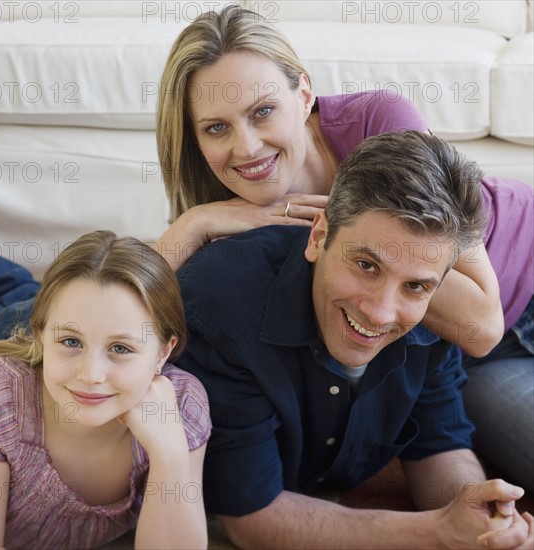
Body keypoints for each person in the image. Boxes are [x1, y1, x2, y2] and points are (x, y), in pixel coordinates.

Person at [155, 5, 533, 491]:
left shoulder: (377, 120)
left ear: (304, 93)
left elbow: (481, 323)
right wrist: (196, 220)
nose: (246, 148)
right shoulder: (221, 213)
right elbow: (129, 310)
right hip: (466, 359)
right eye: (216, 128)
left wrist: (344, 231)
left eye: (263, 111)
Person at [175, 130, 533, 549]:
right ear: (319, 236)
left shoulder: (433, 303)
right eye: (366, 265)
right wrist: (437, 532)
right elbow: (251, 516)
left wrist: (478, 517)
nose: (380, 311)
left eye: (415, 287)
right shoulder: (220, 309)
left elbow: (440, 444)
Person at [0, 230, 211, 549]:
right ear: (40, 335)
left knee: (6, 287)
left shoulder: (180, 406)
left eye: (121, 348)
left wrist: (170, 455)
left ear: (163, 353)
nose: (91, 375)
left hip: (30, 327)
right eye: (71, 342)